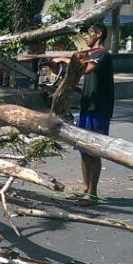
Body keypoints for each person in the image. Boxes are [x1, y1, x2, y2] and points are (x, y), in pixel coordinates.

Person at [20, 24, 113, 200]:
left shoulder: (102, 54)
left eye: (89, 33)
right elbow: (79, 78)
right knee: (84, 150)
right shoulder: (90, 55)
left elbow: (86, 69)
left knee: (94, 150)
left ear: (99, 34)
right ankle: (85, 189)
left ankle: (93, 193)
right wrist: (58, 69)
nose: (86, 37)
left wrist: (65, 59)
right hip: (87, 106)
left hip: (99, 109)